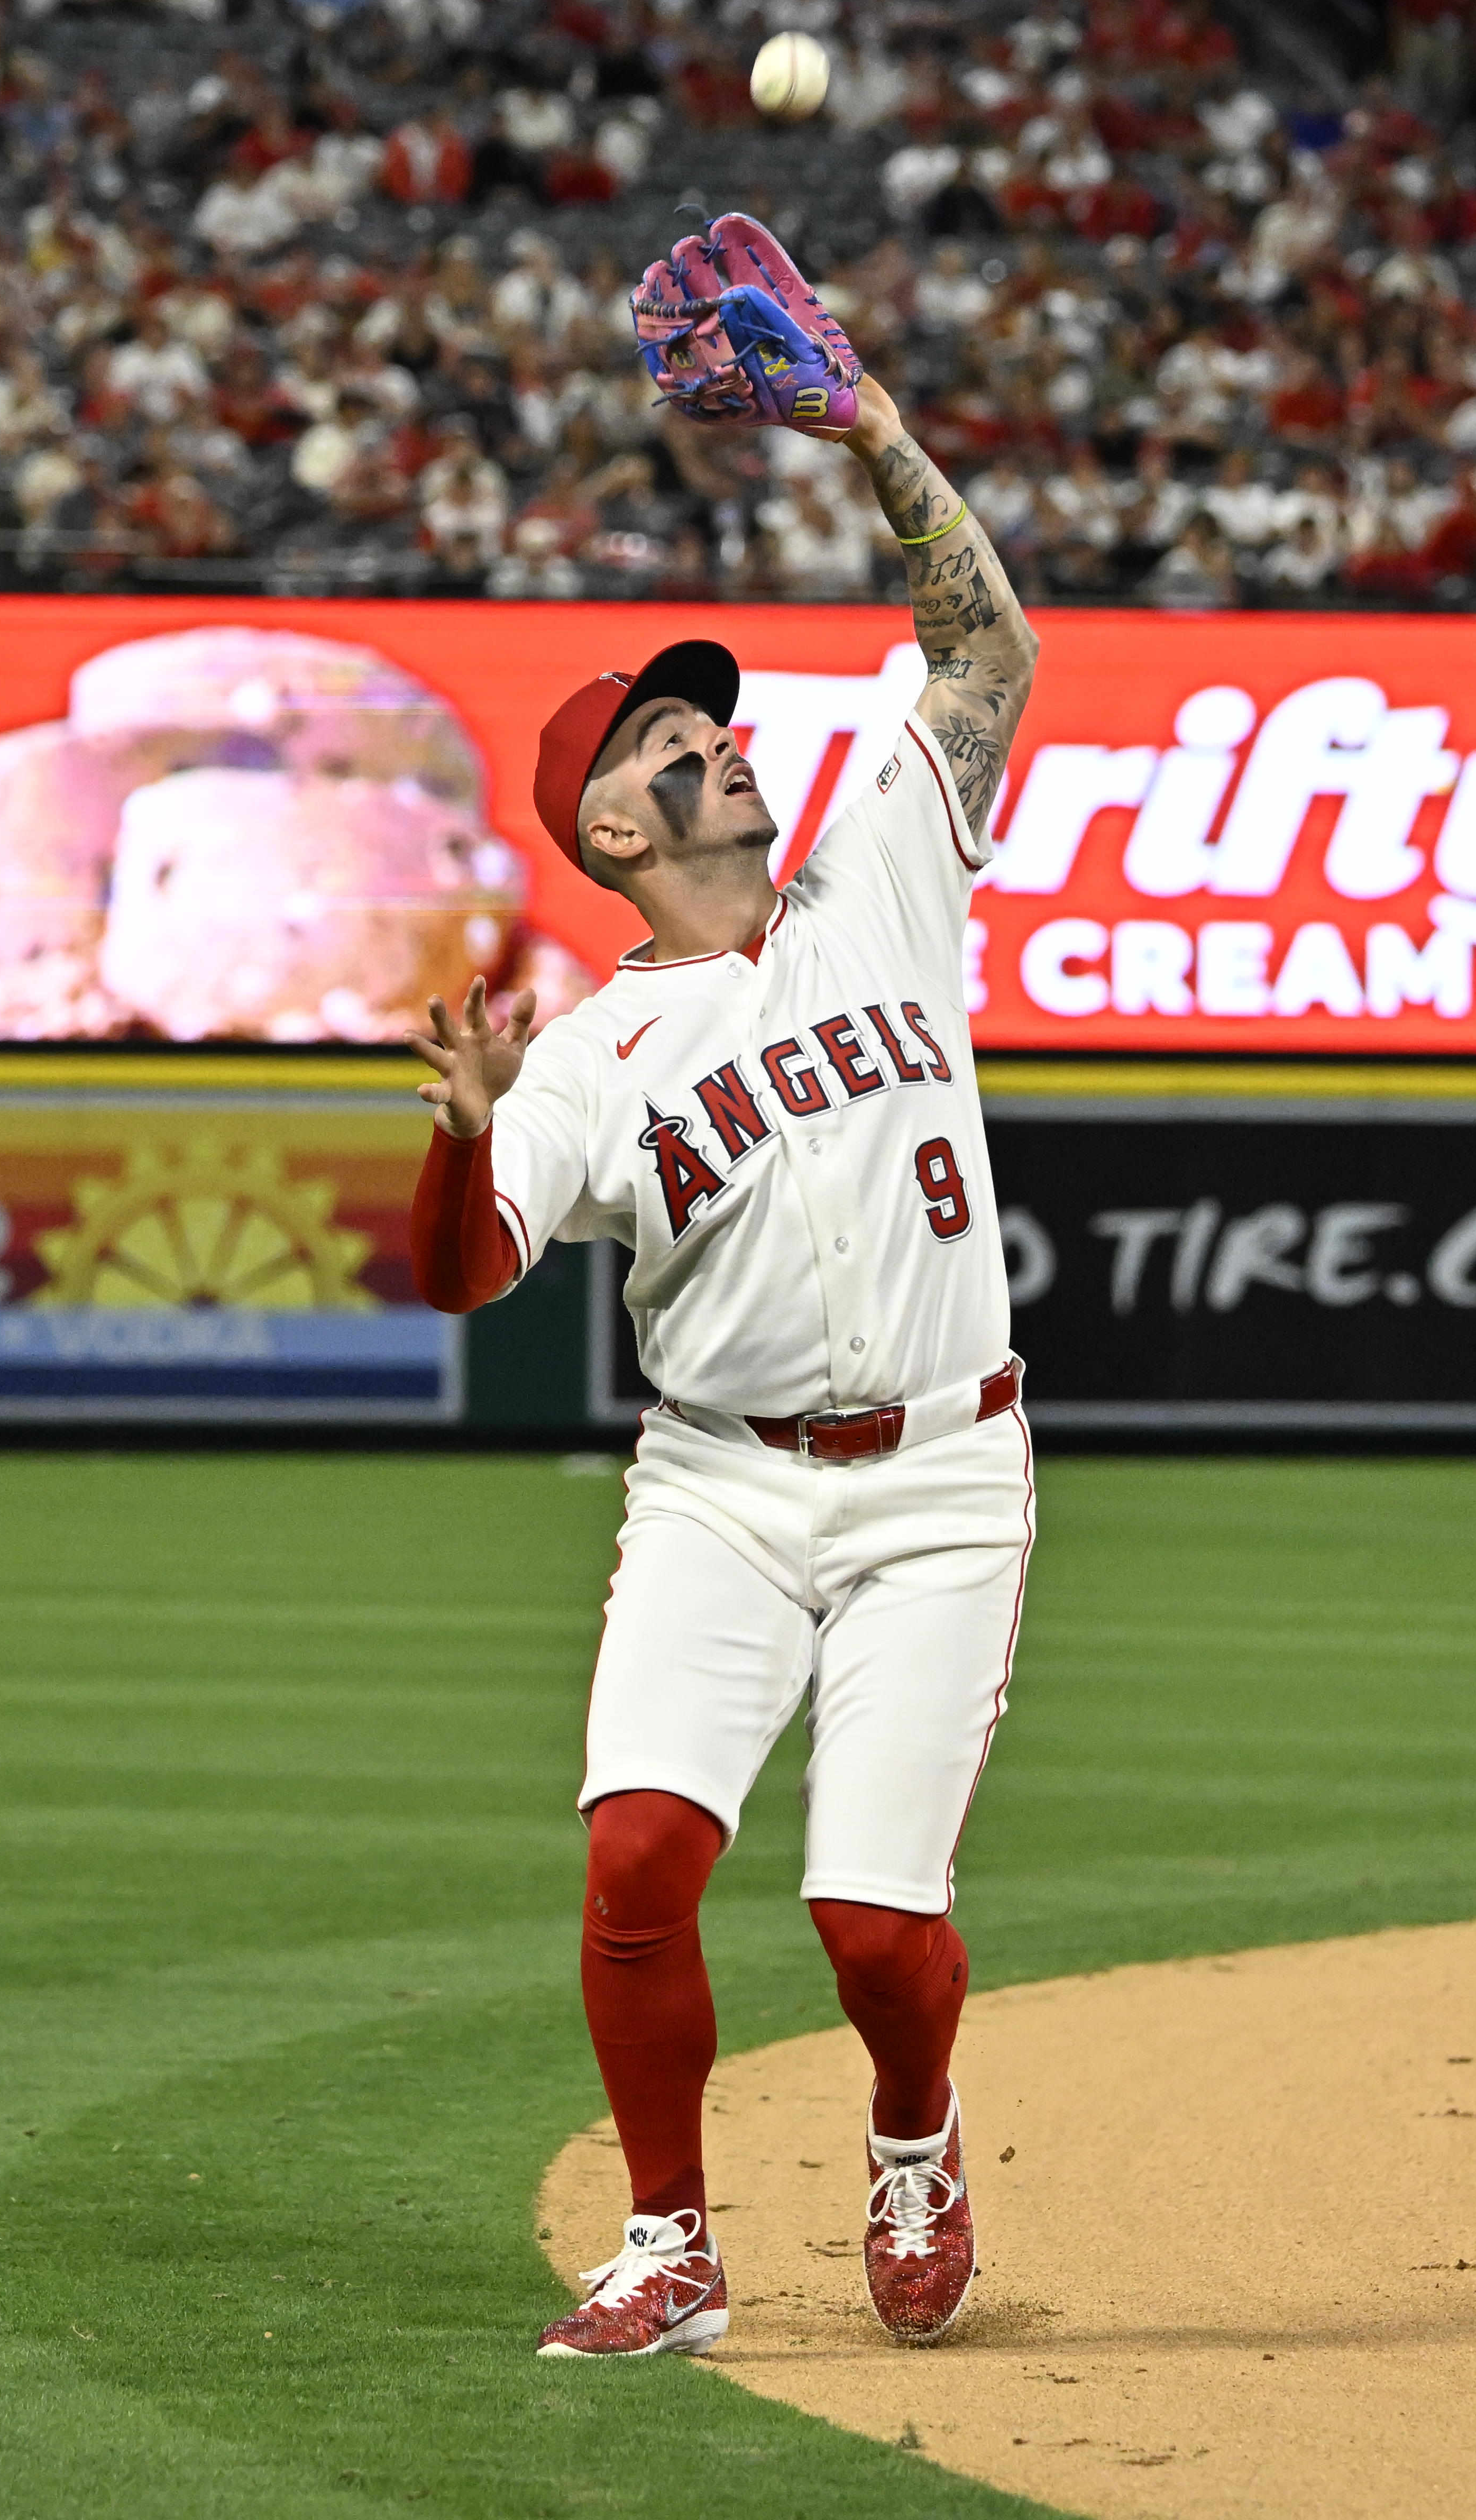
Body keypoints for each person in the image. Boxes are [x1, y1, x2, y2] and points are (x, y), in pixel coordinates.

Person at [407, 214, 1041, 2362]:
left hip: (947, 1470)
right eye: (660, 742)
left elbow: (991, 653)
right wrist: (455, 1119)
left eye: (711, 721)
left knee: (874, 1919)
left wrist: (863, 423)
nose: (709, 746)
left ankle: (914, 2130)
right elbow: (467, 1267)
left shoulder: (880, 861)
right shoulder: (587, 1055)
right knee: (642, 1856)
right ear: (597, 828)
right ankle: (670, 2241)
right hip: (722, 1485)